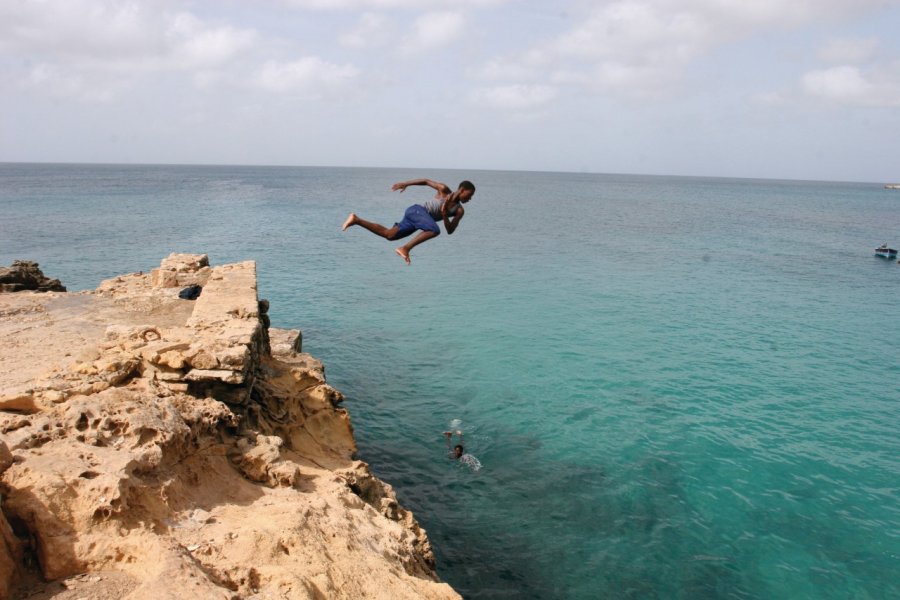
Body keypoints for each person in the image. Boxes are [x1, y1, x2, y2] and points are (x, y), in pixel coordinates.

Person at [342, 178, 476, 265]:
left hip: (419, 221)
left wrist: (444, 214)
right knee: (434, 230)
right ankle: (405, 248)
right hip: (416, 211)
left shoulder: (459, 211)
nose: (469, 199)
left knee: (389, 235)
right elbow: (426, 181)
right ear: (462, 190)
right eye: (469, 195)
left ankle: (356, 220)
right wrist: (406, 184)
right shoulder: (444, 190)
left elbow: (450, 230)